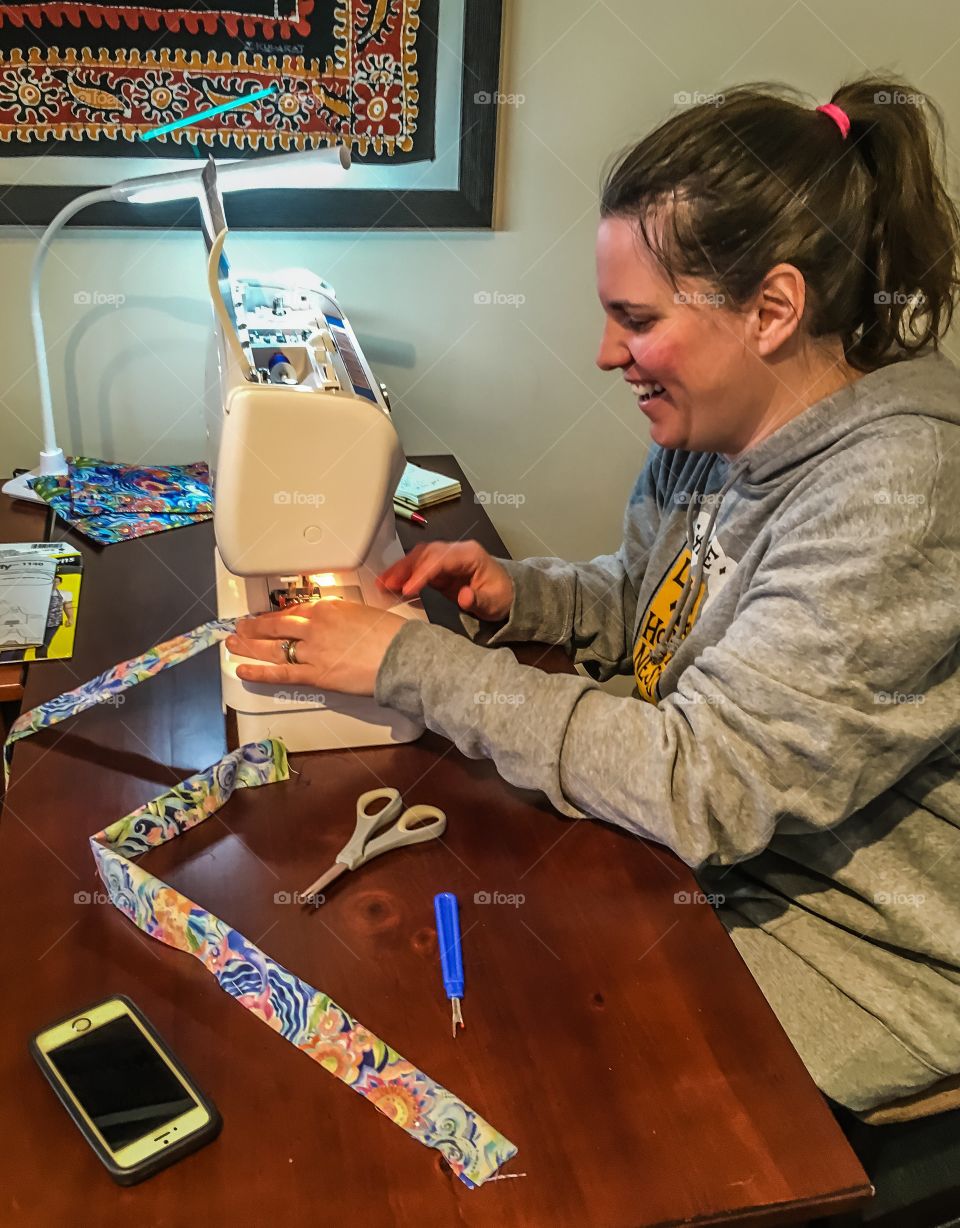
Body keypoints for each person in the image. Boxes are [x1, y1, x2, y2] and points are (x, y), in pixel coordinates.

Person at [226, 75, 960, 1119]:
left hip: (856, 948)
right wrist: (522, 596)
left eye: (636, 320)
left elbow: (709, 782)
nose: (607, 353)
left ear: (773, 310)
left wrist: (410, 663)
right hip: (727, 866)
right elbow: (656, 605)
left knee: (525, 1070)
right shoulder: (714, 432)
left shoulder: (897, 493)